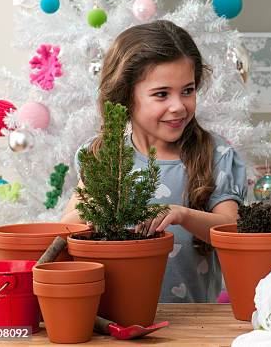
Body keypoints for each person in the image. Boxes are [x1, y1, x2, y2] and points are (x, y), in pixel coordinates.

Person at [61, 20, 247, 303]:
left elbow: (232, 229)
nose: (178, 106)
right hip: (112, 321)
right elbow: (68, 227)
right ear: (126, 96)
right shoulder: (103, 154)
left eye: (188, 90)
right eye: (162, 94)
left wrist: (182, 214)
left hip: (192, 324)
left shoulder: (214, 154)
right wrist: (99, 207)